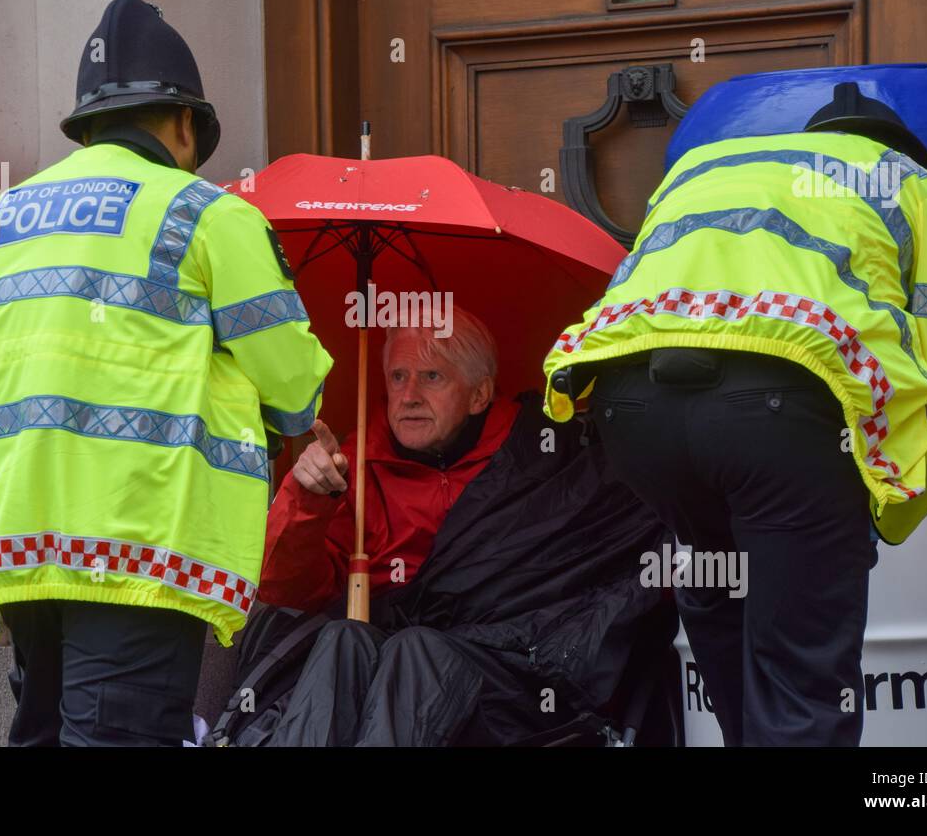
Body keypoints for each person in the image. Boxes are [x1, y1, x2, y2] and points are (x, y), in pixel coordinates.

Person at [0, 0, 333, 746]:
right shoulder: (207, 215)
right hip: (135, 537)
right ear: (184, 125)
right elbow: (286, 367)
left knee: (43, 730)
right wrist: (303, 424)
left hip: (14, 533)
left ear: (86, 129)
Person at [543, 82, 927, 746]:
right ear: (905, 151)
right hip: (782, 414)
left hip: (633, 408)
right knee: (801, 679)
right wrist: (887, 502)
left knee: (725, 624)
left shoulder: (708, 169)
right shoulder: (914, 185)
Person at [212, 306, 675, 747]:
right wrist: (307, 499)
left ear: (479, 395)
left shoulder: (546, 453)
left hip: (508, 671)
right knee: (342, 638)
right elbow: (284, 591)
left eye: (431, 377)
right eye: (398, 376)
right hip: (375, 663)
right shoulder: (351, 464)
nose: (409, 395)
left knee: (417, 652)